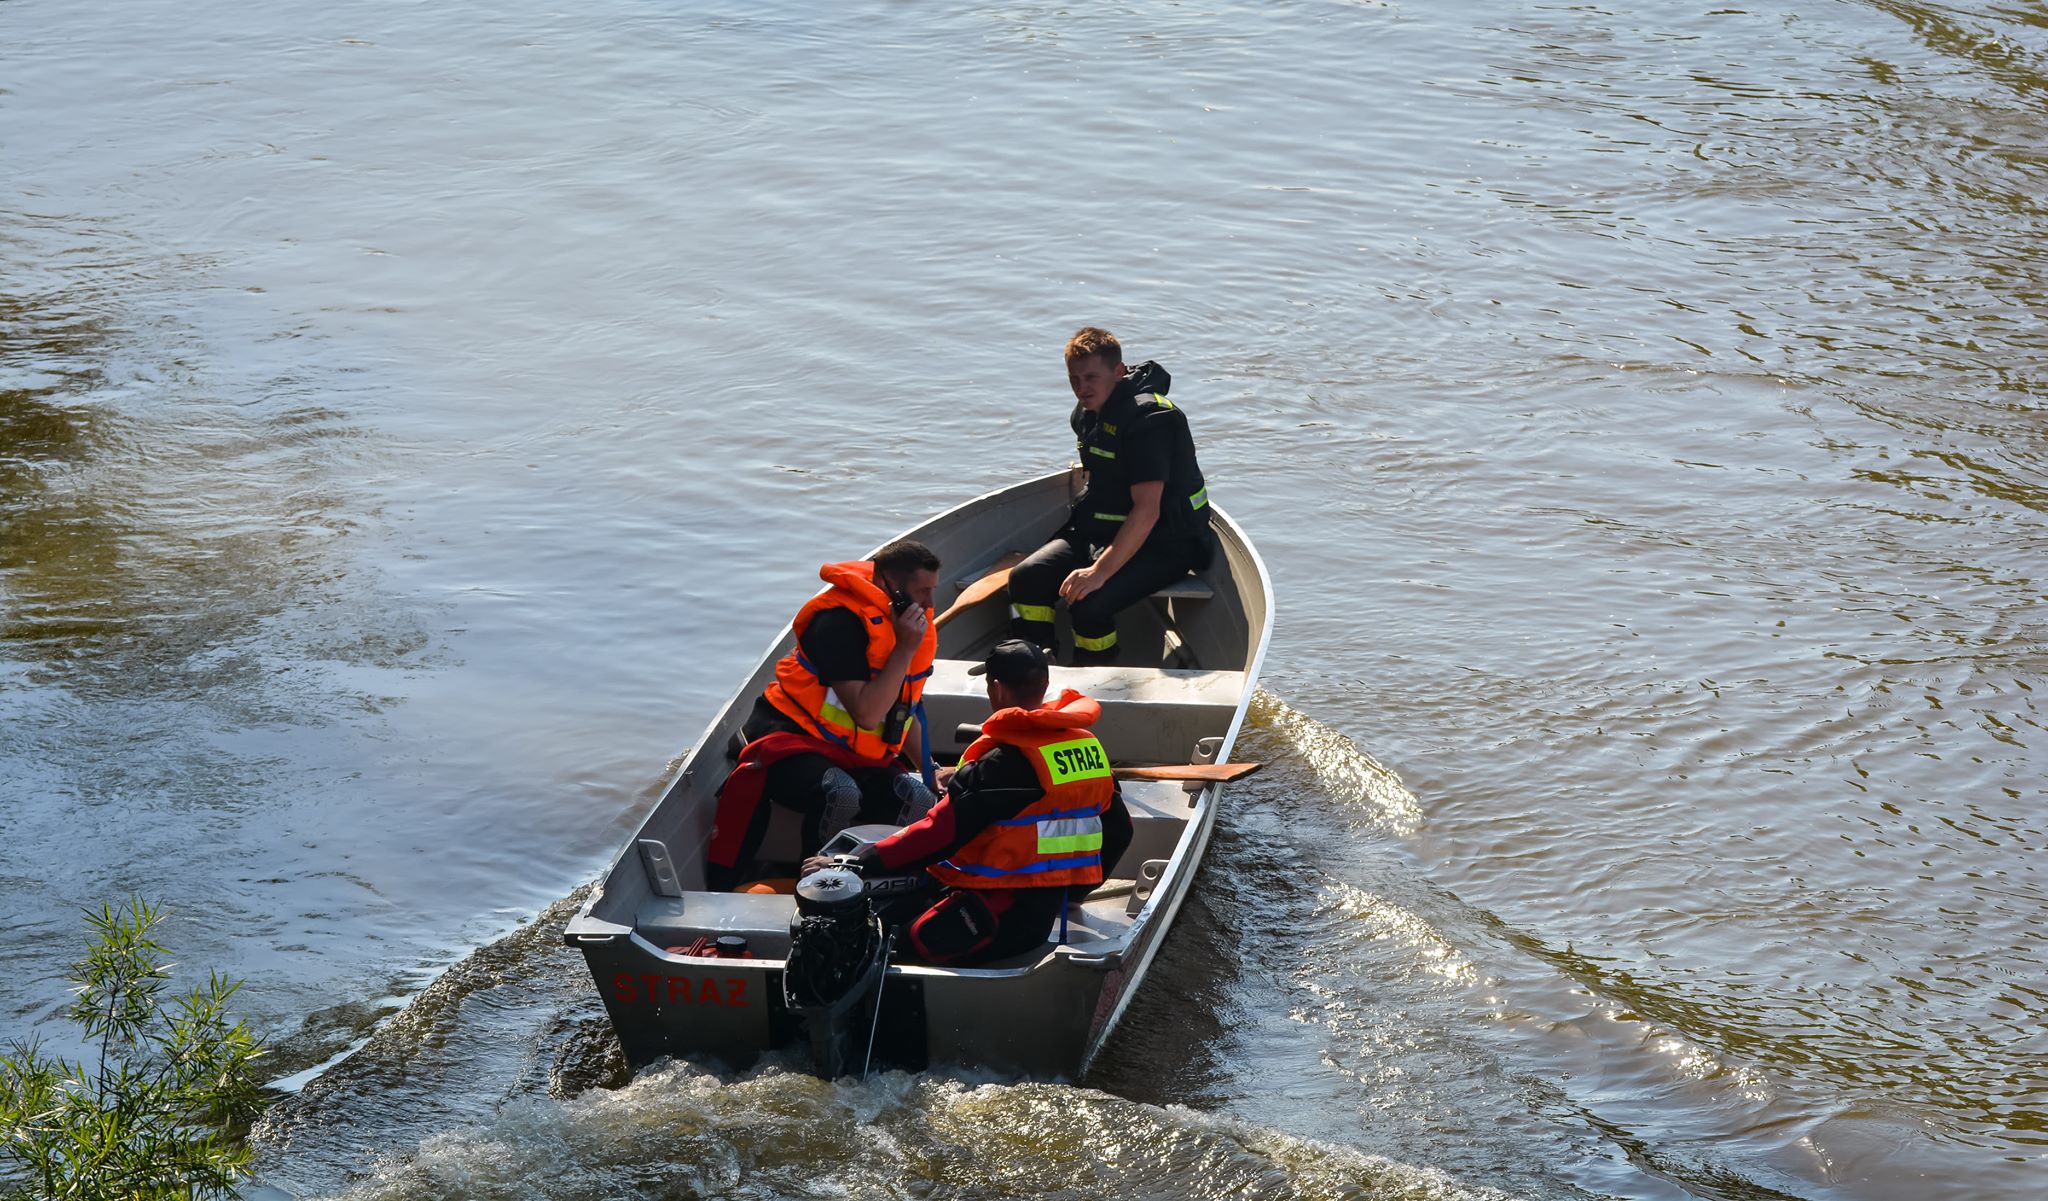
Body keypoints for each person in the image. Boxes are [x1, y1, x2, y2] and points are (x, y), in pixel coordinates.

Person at [802, 639, 1134, 966]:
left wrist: (850, 863)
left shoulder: (999, 766)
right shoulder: (1087, 749)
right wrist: (1070, 896)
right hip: (1044, 914)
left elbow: (936, 837)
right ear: (1044, 685)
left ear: (998, 689)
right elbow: (1120, 831)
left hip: (997, 921)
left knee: (876, 941)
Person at [705, 540, 944, 890]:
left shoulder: (901, 625)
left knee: (918, 796)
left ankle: (886, 884)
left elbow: (900, 711)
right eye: (922, 592)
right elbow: (867, 713)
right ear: (891, 585)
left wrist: (930, 768)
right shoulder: (837, 623)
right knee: (840, 792)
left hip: (852, 752)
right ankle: (821, 888)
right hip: (790, 743)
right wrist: (905, 648)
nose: (929, 604)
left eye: (933, 591)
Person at [1007, 326, 1214, 664]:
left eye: (1091, 377)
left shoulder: (1151, 421)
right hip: (1103, 531)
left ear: (1119, 372)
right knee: (1026, 578)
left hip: (1166, 542)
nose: (1081, 389)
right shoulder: (1088, 413)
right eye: (1074, 379)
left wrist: (1099, 571)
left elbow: (1147, 511)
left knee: (1090, 604)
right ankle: (1035, 666)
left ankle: (1092, 675)